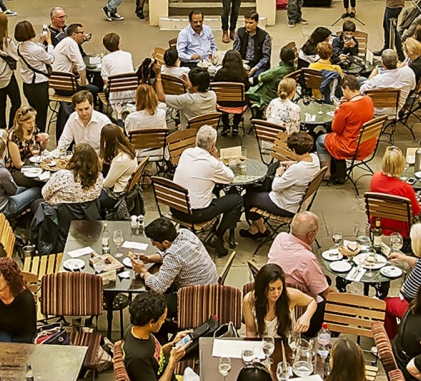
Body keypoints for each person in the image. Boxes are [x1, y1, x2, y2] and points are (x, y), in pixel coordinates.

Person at [122, 292, 207, 381]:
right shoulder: (137, 358)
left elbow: (155, 354)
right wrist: (172, 362)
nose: (164, 322)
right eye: (162, 319)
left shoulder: (136, 330)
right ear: (151, 322)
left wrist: (173, 343)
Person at [172, 126, 243, 257]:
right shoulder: (212, 163)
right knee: (237, 199)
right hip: (196, 213)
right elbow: (230, 177)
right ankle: (218, 236)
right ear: (213, 145)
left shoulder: (186, 153)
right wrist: (215, 158)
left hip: (176, 207)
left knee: (211, 187)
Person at [127, 218, 218, 318]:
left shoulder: (173, 256)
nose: (152, 244)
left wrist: (143, 271)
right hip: (212, 287)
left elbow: (159, 287)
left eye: (154, 242)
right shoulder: (184, 233)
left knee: (149, 307)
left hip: (197, 300)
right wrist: (149, 259)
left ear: (165, 243)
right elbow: (169, 254)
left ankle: (160, 331)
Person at [243, 131, 321, 236]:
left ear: (293, 150)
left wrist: (278, 173)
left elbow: (275, 187)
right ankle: (254, 227)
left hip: (286, 205)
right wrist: (292, 163)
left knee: (248, 198)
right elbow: (302, 166)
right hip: (297, 199)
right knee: (257, 188)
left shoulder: (297, 169)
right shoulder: (314, 158)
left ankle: (260, 229)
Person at [316, 74, 376, 183]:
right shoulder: (368, 100)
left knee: (320, 139)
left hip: (349, 146)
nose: (343, 94)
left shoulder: (346, 107)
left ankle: (326, 173)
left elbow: (336, 129)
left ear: (347, 89)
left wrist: (338, 108)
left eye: (343, 91)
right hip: (366, 143)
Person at [267, 212, 330, 312]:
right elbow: (325, 292)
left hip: (273, 294)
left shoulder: (280, 237)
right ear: (311, 235)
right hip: (299, 307)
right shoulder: (308, 258)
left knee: (326, 279)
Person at [242, 263, 318, 338]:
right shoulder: (250, 300)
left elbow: (312, 302)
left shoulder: (290, 295)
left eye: (279, 288)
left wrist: (306, 316)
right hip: (263, 344)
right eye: (271, 289)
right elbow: (250, 331)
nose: (276, 293)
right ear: (262, 287)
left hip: (287, 342)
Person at [0, 136, 41, 217]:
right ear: (0, 157)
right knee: (36, 190)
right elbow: (13, 191)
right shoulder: (1, 173)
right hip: (1, 209)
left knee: (24, 189)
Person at [368, 145, 421, 241]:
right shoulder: (406, 188)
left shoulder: (375, 178)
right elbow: (416, 211)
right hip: (399, 229)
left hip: (378, 224)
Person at [0, 258, 36, 343]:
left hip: (21, 336)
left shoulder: (25, 298)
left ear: (8, 279)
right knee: (3, 339)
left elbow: (29, 332)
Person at [15, 20, 54, 131]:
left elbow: (35, 52)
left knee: (34, 113)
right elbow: (50, 59)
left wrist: (41, 42)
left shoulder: (19, 47)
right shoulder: (36, 50)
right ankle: (40, 137)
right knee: (42, 114)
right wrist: (49, 42)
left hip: (27, 85)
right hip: (40, 85)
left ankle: (32, 134)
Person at [0, 12, 21, 131]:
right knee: (16, 102)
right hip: (7, 76)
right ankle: (12, 126)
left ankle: (1, 126)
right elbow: (16, 56)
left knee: (1, 101)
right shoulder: (7, 42)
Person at [157, 66, 218, 131]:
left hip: (189, 135)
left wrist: (158, 76)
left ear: (196, 86)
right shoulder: (213, 95)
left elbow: (161, 97)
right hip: (207, 132)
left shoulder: (187, 100)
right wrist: (189, 85)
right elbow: (195, 95)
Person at [249, 44, 297, 108]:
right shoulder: (294, 67)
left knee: (248, 91)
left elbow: (261, 77)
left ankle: (258, 105)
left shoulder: (277, 71)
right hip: (283, 91)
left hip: (268, 94)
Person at [100, 124, 140, 203]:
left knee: (88, 195)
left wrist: (98, 172)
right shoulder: (129, 150)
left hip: (117, 194)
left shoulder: (119, 160)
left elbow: (106, 184)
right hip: (126, 188)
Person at [7, 105, 49, 173]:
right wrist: (36, 165)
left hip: (35, 167)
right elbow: (18, 164)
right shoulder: (13, 137)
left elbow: (41, 149)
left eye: (33, 121)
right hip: (19, 171)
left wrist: (45, 141)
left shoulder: (34, 129)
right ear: (20, 122)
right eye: (28, 123)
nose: (32, 125)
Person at [233, 11, 271, 84]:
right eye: (246, 22)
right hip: (243, 63)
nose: (248, 25)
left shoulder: (264, 36)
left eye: (251, 23)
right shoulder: (239, 32)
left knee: (256, 79)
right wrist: (242, 65)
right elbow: (235, 52)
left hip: (258, 64)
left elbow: (266, 57)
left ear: (257, 22)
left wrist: (254, 69)